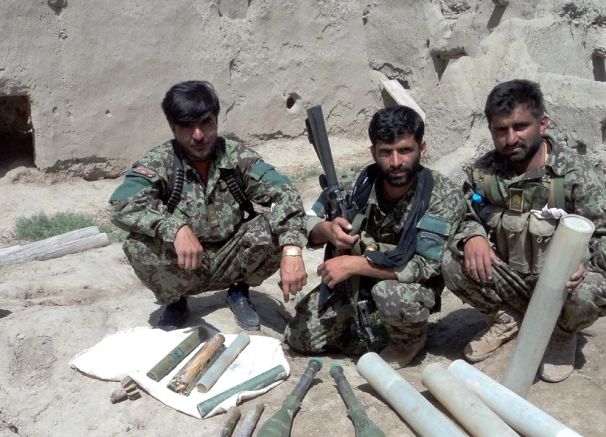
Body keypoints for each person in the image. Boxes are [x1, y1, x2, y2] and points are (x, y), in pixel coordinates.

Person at [442, 79, 606, 382]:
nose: (510, 138)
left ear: (542, 123)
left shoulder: (574, 173)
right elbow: (462, 212)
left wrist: (585, 262)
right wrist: (472, 235)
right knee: (452, 262)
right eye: (500, 130)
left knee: (590, 291)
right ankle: (507, 319)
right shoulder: (484, 172)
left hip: (561, 284)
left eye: (520, 127)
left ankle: (562, 332)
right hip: (510, 276)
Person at [109, 81, 308, 331]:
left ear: (216, 119)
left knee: (276, 226)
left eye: (206, 123)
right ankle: (176, 302)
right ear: (172, 127)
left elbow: (285, 193)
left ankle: (238, 292)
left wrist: (292, 251)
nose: (199, 136)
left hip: (233, 256)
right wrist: (176, 228)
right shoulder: (160, 162)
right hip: (186, 262)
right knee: (137, 245)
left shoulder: (237, 157)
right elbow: (120, 204)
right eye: (187, 127)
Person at [284, 105, 465, 367]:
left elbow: (427, 266)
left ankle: (409, 340)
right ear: (373, 152)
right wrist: (326, 230)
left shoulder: (442, 196)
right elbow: (307, 220)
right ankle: (364, 324)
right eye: (385, 152)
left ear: (421, 149)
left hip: (405, 285)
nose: (395, 162)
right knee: (300, 338)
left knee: (391, 295)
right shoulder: (354, 184)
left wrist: (354, 264)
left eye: (405, 150)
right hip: (354, 283)